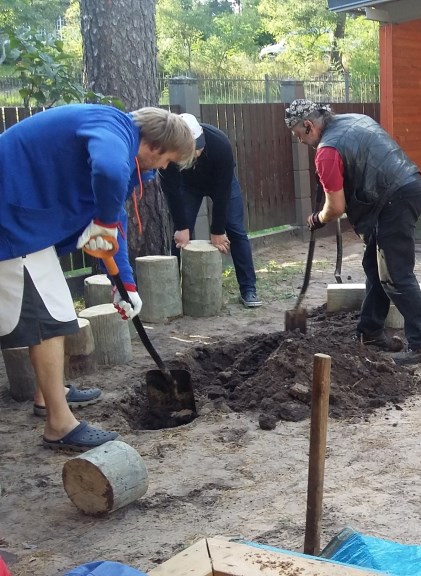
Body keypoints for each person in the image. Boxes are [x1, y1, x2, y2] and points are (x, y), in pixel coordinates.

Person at [0, 105, 195, 451]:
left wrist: (126, 286)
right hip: (11, 224)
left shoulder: (119, 141)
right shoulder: (114, 129)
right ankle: (59, 425)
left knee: (55, 313)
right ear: (154, 145)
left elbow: (114, 223)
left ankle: (48, 394)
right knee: (49, 322)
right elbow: (107, 172)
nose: (163, 168)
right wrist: (104, 223)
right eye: (167, 160)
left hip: (23, 221)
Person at [284, 99, 421, 365]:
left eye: (298, 134)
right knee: (374, 266)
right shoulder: (354, 119)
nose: (300, 141)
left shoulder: (327, 151)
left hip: (394, 199)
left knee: (396, 274)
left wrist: (318, 219)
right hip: (405, 187)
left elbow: (335, 208)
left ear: (308, 125)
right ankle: (369, 332)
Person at [161, 114, 262, 307]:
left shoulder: (219, 143)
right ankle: (173, 294)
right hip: (188, 187)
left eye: (199, 147)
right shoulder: (167, 153)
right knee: (180, 237)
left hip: (221, 184)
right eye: (193, 149)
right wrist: (182, 226)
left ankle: (248, 289)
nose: (198, 152)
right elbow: (171, 191)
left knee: (235, 229)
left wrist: (217, 230)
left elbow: (223, 191)